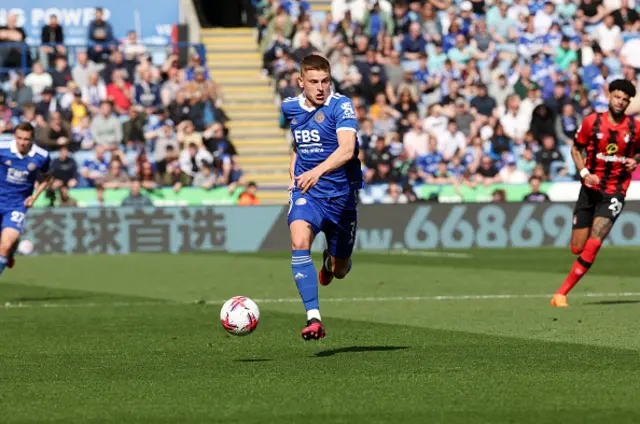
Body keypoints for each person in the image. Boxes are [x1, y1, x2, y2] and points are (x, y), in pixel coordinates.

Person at [282, 54, 362, 341]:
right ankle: (313, 318)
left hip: (341, 198)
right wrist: (294, 173)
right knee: (299, 242)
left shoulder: (341, 106)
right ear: (300, 82)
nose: (320, 87)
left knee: (340, 271)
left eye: (325, 81)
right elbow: (297, 141)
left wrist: (316, 171)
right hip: (309, 194)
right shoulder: (289, 107)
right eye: (313, 81)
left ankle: (330, 261)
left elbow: (347, 150)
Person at [551, 79, 640, 307]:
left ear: (629, 102)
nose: (620, 102)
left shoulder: (635, 127)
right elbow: (575, 148)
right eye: (617, 97)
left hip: (615, 191)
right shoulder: (592, 122)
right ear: (609, 96)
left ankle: (561, 294)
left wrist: (635, 160)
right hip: (589, 189)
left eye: (625, 100)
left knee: (596, 239)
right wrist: (583, 172)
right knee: (577, 247)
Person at [0, 122, 52, 274]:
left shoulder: (41, 156)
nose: (22, 142)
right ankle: (9, 255)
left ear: (32, 139)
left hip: (17, 204)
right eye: (19, 138)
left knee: (5, 245)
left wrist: (34, 196)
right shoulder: (2, 148)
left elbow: (47, 177)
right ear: (14, 137)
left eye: (26, 139)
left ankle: (7, 253)